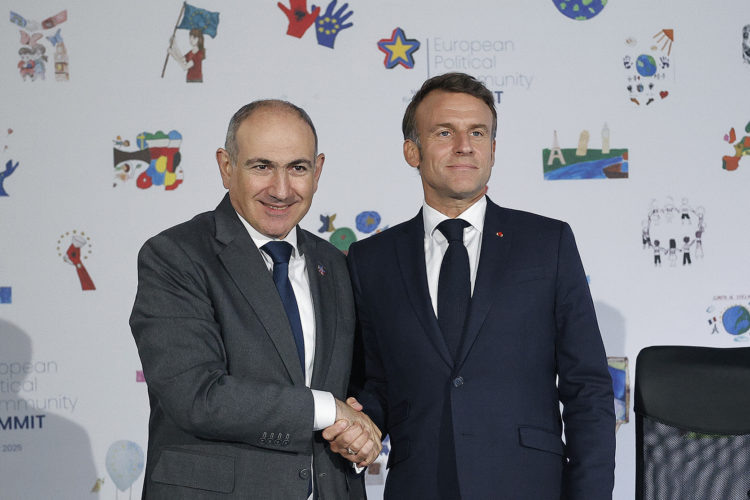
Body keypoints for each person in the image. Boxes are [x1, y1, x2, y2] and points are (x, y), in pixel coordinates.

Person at [326, 73, 615, 499]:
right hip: (420, 486)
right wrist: (360, 421)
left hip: (529, 487)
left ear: (493, 150)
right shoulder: (371, 260)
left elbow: (587, 388)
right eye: (444, 132)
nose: (464, 145)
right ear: (412, 151)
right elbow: (376, 385)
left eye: (477, 132)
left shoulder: (547, 244)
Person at [130, 99, 380, 499]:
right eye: (262, 167)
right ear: (226, 166)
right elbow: (197, 396)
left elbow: (355, 387)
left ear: (317, 171)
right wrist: (328, 409)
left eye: (297, 168)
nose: (281, 190)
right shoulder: (175, 256)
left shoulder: (334, 264)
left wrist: (359, 430)